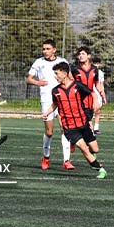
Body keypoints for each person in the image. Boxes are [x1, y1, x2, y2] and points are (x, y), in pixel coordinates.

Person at [42, 62, 106, 179]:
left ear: (65, 73)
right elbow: (55, 104)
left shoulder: (77, 86)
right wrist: (47, 113)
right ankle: (100, 169)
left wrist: (95, 101)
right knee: (84, 149)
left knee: (95, 149)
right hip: (69, 127)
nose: (55, 76)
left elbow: (91, 92)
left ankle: (91, 158)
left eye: (57, 73)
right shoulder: (55, 91)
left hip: (83, 123)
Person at [26, 39, 74, 170]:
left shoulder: (62, 62)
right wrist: (37, 82)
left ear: (54, 50)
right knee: (49, 131)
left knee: (65, 128)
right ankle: (46, 157)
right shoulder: (39, 62)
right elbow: (29, 79)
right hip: (47, 100)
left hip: (62, 98)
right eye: (44, 49)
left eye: (48, 49)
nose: (45, 51)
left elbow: (70, 78)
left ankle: (66, 160)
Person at [72, 46, 106, 130]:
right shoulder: (74, 69)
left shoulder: (94, 69)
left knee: (87, 121)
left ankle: (89, 135)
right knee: (82, 123)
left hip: (89, 100)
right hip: (78, 99)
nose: (81, 56)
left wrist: (102, 94)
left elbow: (97, 83)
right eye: (79, 54)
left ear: (89, 56)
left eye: (83, 54)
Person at [91, 56, 106, 135]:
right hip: (91, 92)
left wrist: (103, 95)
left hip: (98, 93)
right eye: (94, 63)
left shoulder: (100, 73)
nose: (96, 65)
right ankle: (89, 128)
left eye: (97, 64)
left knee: (98, 111)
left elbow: (101, 84)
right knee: (90, 110)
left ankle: (96, 128)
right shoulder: (90, 72)